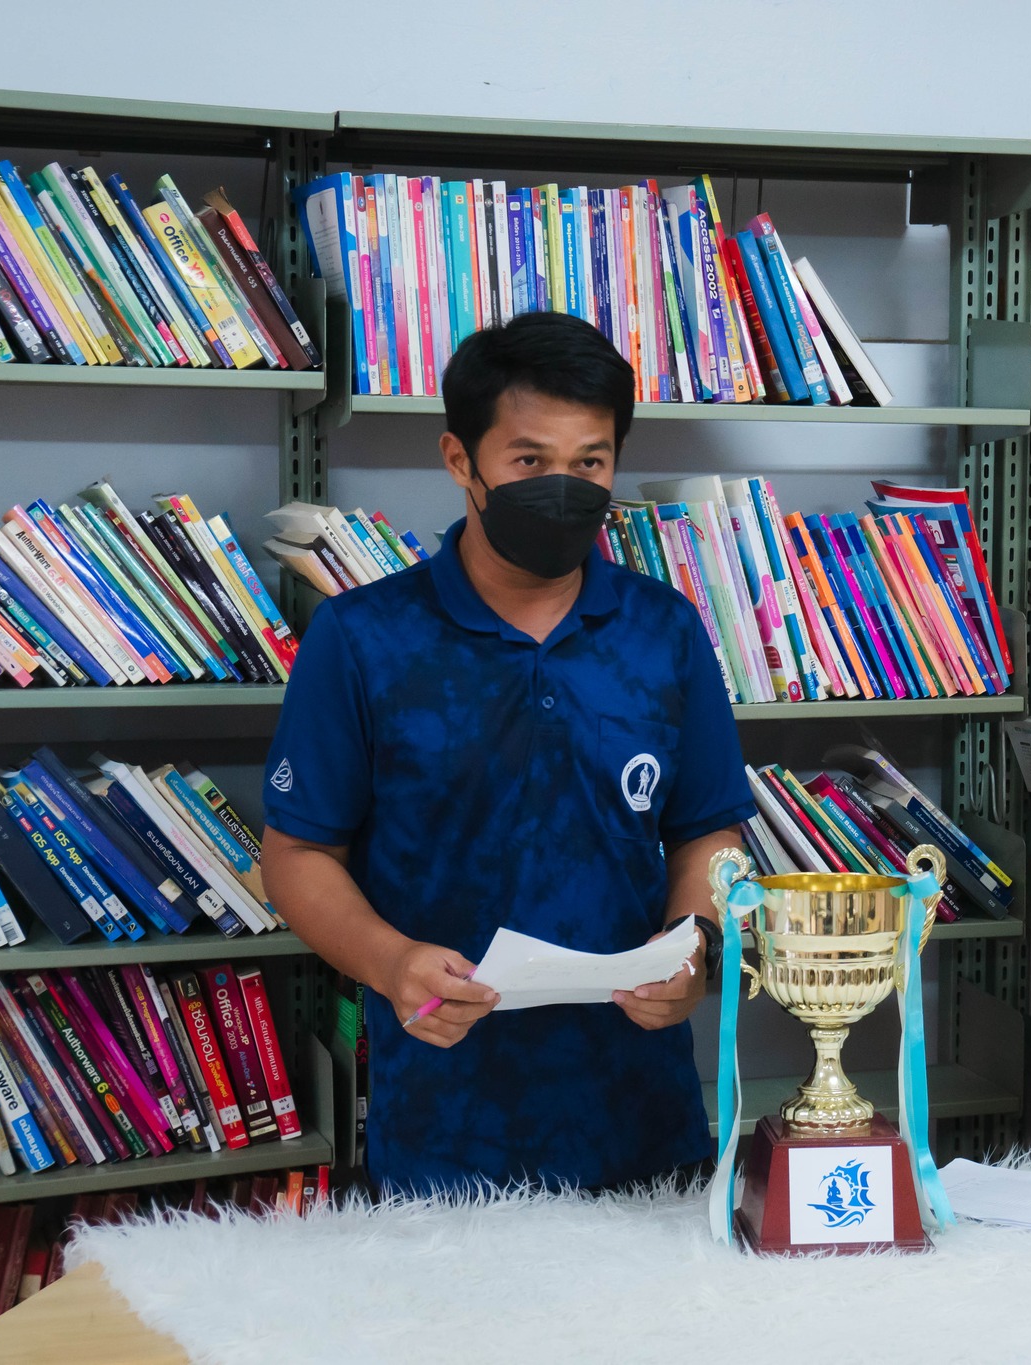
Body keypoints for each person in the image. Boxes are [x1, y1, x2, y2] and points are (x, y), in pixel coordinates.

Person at [261, 313, 754, 1195]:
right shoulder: (362, 637)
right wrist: (390, 961)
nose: (563, 486)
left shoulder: (665, 631)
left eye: (590, 462)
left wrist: (698, 947)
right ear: (462, 460)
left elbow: (707, 832)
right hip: (443, 1132)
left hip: (646, 1119)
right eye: (529, 461)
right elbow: (297, 854)